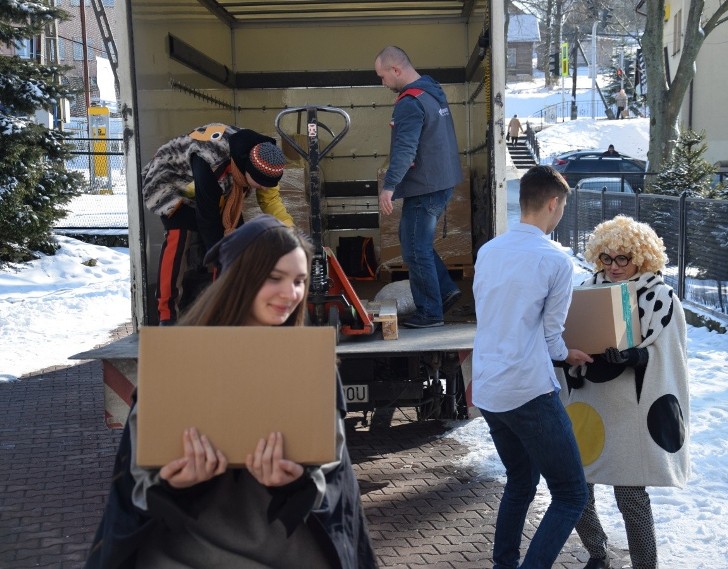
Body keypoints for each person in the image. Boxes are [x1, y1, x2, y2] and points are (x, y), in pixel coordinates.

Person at [85, 215, 377, 569]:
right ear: (237, 279)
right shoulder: (177, 363)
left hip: (291, 553)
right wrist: (174, 486)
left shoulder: (310, 365)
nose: (291, 294)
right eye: (275, 278)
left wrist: (295, 485)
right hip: (183, 555)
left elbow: (332, 480)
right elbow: (136, 487)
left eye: (299, 281)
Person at [472, 165, 593, 568]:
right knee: (571, 493)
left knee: (521, 482)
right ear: (553, 204)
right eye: (561, 209)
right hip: (527, 389)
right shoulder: (555, 261)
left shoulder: (488, 252)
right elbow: (549, 335)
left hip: (488, 388)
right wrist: (567, 354)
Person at [566, 215, 691, 569]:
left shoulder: (660, 295)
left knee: (631, 495)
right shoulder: (587, 288)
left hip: (633, 408)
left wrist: (637, 356)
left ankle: (644, 565)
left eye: (623, 258)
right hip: (590, 401)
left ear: (641, 256)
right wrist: (573, 365)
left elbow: (670, 353)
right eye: (606, 258)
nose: (614, 266)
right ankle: (597, 552)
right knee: (577, 488)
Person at [141, 124, 295, 325]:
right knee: (180, 236)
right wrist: (219, 253)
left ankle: (227, 312)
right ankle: (167, 314)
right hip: (172, 180)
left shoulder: (264, 159)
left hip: (217, 189)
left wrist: (289, 231)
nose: (265, 187)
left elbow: (270, 201)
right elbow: (208, 219)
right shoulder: (211, 160)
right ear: (246, 170)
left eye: (269, 184)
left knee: (237, 243)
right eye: (260, 183)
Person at [374, 45, 463, 328]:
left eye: (383, 77)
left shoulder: (409, 102)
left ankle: (430, 312)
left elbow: (405, 151)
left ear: (395, 70)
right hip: (441, 180)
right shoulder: (430, 91)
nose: (383, 83)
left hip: (425, 185)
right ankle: (446, 290)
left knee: (415, 249)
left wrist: (388, 186)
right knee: (413, 240)